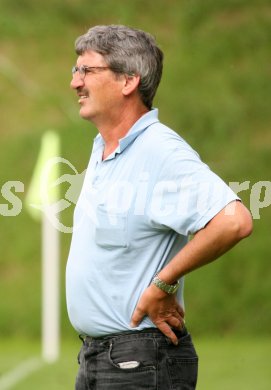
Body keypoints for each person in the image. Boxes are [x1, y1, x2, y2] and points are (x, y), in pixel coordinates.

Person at [66, 25, 253, 390]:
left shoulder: (159, 150)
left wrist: (162, 282)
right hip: (102, 360)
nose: (76, 82)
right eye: (75, 70)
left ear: (128, 81)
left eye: (87, 70)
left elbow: (234, 221)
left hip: (138, 362)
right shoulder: (104, 146)